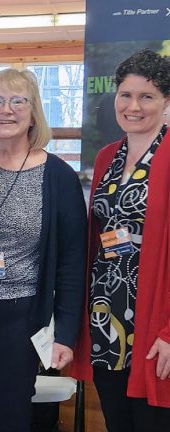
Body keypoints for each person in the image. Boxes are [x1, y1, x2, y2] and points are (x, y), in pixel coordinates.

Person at [0, 68, 87, 431]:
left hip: (20, 320)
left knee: (13, 416)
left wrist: (66, 335)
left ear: (33, 113)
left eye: (16, 101)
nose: (4, 109)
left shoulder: (59, 177)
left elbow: (72, 263)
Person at [71, 49, 170, 431]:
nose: (134, 106)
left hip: (154, 323)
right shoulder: (107, 158)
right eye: (125, 95)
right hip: (107, 319)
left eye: (147, 96)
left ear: (166, 103)